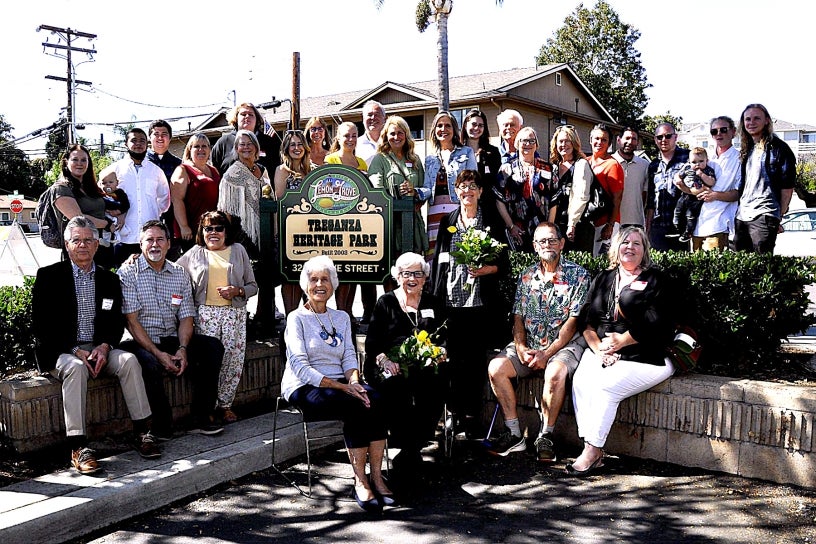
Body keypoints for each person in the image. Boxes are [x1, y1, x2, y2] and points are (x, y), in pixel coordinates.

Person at [33, 216, 159, 474]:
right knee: (76, 368)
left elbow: (115, 323)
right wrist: (74, 350)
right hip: (62, 350)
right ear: (67, 245)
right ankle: (79, 447)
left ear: (97, 244)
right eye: (76, 240)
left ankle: (143, 432)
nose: (83, 245)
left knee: (128, 361)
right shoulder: (49, 277)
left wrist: (104, 347)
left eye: (88, 240)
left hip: (98, 347)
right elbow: (41, 326)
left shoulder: (109, 280)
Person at [280, 256, 393, 512]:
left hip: (342, 383)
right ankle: (360, 480)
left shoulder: (341, 317)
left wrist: (354, 380)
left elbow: (349, 355)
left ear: (333, 284)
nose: (320, 284)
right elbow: (299, 365)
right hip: (305, 386)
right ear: (305, 284)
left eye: (326, 279)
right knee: (354, 406)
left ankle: (377, 476)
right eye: (314, 279)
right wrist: (343, 387)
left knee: (376, 399)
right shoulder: (296, 318)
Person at [568, 226, 676, 476]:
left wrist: (621, 341)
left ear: (644, 251)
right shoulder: (604, 279)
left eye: (637, 244)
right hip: (602, 350)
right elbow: (587, 322)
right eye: (625, 242)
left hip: (646, 355)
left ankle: (593, 450)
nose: (630, 247)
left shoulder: (656, 280)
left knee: (606, 387)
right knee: (582, 381)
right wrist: (598, 349)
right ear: (615, 248)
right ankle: (590, 446)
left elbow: (659, 324)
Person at [486, 222, 589, 460]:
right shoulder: (527, 276)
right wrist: (521, 347)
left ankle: (546, 436)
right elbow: (518, 317)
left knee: (554, 373)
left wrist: (547, 353)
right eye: (542, 241)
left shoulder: (579, 275)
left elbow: (572, 322)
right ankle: (514, 435)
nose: (547, 245)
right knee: (496, 368)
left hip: (564, 345)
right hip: (530, 344)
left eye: (552, 240)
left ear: (562, 244)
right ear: (534, 246)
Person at [118, 220, 224, 438]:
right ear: (140, 244)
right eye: (149, 240)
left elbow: (186, 316)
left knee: (212, 347)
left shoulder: (179, 273)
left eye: (160, 239)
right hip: (142, 340)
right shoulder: (128, 273)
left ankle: (201, 417)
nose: (154, 245)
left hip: (172, 337)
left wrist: (183, 348)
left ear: (168, 244)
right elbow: (132, 322)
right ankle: (161, 425)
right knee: (147, 363)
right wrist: (158, 355)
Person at [429, 169, 510, 437]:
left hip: (479, 303)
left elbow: (504, 263)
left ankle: (473, 417)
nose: (467, 191)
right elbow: (440, 260)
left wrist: (487, 269)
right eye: (463, 187)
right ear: (456, 191)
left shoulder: (491, 221)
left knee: (474, 362)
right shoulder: (448, 220)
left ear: (480, 191)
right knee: (452, 361)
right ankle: (453, 415)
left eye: (472, 186)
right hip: (451, 302)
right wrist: (436, 295)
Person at [363, 252, 447, 470]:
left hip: (424, 366)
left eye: (417, 274)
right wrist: (385, 361)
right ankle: (408, 444)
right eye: (406, 273)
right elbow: (372, 343)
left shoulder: (433, 302)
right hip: (389, 365)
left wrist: (440, 352)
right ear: (397, 277)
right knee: (396, 385)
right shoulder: (386, 302)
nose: (412, 279)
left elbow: (445, 339)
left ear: (425, 277)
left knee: (436, 383)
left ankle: (412, 447)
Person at [177, 211, 257, 424]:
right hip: (205, 315)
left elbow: (253, 286)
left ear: (226, 231)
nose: (213, 233)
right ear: (201, 232)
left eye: (218, 228)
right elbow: (171, 269)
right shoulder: (195, 253)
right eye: (208, 228)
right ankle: (208, 406)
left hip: (234, 314)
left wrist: (237, 291)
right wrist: (138, 256)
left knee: (232, 361)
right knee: (211, 363)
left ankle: (225, 405)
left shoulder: (238, 250)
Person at [219, 130, 274, 329]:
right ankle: (244, 322)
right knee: (250, 276)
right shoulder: (233, 172)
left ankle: (264, 318)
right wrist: (231, 238)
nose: (246, 147)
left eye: (249, 143)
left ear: (256, 147)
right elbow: (225, 208)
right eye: (241, 144)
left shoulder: (262, 170)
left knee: (268, 275)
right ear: (236, 148)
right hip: (243, 232)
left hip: (265, 229)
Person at [99, 128, 171, 266]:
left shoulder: (156, 171)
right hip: (122, 238)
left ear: (147, 144)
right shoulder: (113, 170)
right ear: (126, 144)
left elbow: (164, 201)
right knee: (122, 281)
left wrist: (151, 213)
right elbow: (101, 197)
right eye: (134, 140)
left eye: (142, 141)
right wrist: (116, 215)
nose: (138, 144)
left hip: (150, 240)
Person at [734, 103, 797, 253]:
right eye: (747, 119)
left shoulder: (779, 148)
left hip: (764, 214)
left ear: (767, 120)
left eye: (757, 118)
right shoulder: (747, 148)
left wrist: (777, 216)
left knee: (761, 267)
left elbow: (787, 187)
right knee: (742, 267)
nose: (751, 122)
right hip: (742, 215)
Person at [368, 115, 429, 262]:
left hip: (413, 222)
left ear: (406, 135)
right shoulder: (380, 159)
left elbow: (425, 189)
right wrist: (395, 192)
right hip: (391, 223)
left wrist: (415, 193)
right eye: (392, 133)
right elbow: (376, 193)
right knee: (392, 270)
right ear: (386, 136)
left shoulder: (415, 159)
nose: (396, 137)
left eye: (400, 133)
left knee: (413, 266)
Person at [325, 122, 367, 321]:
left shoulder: (362, 163)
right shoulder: (331, 159)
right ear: (338, 138)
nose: (350, 139)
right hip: (337, 223)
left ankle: (348, 314)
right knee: (340, 271)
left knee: (353, 272)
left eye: (354, 135)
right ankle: (341, 313)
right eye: (346, 136)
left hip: (358, 224)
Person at [422, 111, 477, 260]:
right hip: (435, 213)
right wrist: (415, 192)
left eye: (448, 125)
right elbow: (427, 188)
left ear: (454, 130)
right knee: (436, 256)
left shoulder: (466, 152)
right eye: (439, 126)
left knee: (458, 252)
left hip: (457, 210)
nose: (443, 129)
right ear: (434, 131)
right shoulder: (430, 158)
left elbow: (473, 183)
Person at [51, 144, 116, 267]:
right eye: (75, 159)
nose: (79, 163)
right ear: (66, 162)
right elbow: (79, 219)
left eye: (83, 160)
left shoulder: (91, 188)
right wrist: (107, 224)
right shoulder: (61, 188)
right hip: (79, 250)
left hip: (101, 246)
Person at [495, 127, 554, 252]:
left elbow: (554, 200)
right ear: (517, 144)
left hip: (542, 231)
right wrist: (511, 226)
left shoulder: (547, 168)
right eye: (523, 141)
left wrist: (549, 228)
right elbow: (499, 199)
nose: (527, 144)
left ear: (537, 145)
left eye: (532, 141)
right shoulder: (506, 169)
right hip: (517, 230)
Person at [274, 130, 313, 315]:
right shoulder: (282, 171)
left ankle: (310, 319)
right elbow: (280, 200)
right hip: (289, 232)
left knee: (310, 276)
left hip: (312, 234)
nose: (296, 148)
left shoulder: (312, 170)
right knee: (290, 277)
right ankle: (290, 319)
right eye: (292, 145)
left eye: (300, 144)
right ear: (286, 149)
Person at [693, 116, 742, 251]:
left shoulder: (739, 159)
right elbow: (692, 185)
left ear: (733, 132)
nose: (719, 134)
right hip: (698, 224)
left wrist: (715, 195)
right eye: (714, 131)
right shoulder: (704, 158)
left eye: (723, 130)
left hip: (719, 224)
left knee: (714, 268)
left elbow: (739, 193)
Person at [170, 133, 221, 254]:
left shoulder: (213, 170)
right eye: (196, 146)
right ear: (189, 150)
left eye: (204, 146)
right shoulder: (183, 170)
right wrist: (184, 226)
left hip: (211, 229)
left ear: (209, 149)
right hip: (191, 231)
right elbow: (177, 200)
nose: (201, 149)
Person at [548, 125, 594, 253]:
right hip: (557, 224)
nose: (564, 145)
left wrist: (572, 224)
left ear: (574, 143)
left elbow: (582, 196)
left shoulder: (581, 164)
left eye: (567, 141)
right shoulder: (554, 166)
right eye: (561, 141)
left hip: (576, 225)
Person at [645, 123, 689, 251]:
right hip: (658, 227)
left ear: (675, 137)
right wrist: (647, 229)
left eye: (668, 136)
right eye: (660, 137)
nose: (664, 140)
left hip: (682, 226)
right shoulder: (653, 165)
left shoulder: (688, 158)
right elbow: (651, 201)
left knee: (681, 268)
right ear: (655, 140)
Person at [211, 102, 282, 177]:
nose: (247, 116)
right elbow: (215, 173)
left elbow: (278, 170)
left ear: (256, 119)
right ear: (236, 118)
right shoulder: (223, 142)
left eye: (251, 114)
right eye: (243, 114)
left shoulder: (270, 142)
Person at [146, 120, 182, 257]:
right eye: (156, 134)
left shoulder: (179, 165)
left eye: (164, 134)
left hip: (171, 220)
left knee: (171, 257)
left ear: (170, 138)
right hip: (146, 217)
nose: (160, 138)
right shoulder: (141, 163)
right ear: (150, 137)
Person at [587, 124, 624, 256]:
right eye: (596, 138)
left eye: (604, 140)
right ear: (590, 139)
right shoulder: (585, 162)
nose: (599, 142)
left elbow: (617, 198)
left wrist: (610, 225)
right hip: (588, 222)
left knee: (604, 262)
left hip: (605, 223)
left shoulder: (612, 165)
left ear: (609, 143)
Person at [673, 147, 717, 244]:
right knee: (678, 211)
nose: (697, 164)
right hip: (684, 194)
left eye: (701, 161)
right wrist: (678, 180)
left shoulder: (707, 170)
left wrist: (701, 175)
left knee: (691, 216)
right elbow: (677, 175)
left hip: (697, 198)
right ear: (689, 161)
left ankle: (688, 233)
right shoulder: (687, 167)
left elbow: (712, 182)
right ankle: (676, 227)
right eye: (694, 162)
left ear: (707, 160)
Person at [612, 127, 649, 228]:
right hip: (612, 223)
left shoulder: (644, 165)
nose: (630, 142)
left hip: (636, 222)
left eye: (634, 139)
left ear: (637, 142)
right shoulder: (609, 162)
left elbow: (645, 195)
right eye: (627, 138)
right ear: (618, 140)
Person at [461, 109, 501, 201]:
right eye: (473, 124)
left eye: (480, 125)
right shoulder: (457, 152)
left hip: (487, 205)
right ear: (465, 125)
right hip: (463, 203)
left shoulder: (493, 152)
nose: (476, 128)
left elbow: (496, 182)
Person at [356, 100, 386, 165]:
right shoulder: (355, 145)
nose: (373, 118)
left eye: (377, 114)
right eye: (369, 115)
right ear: (363, 119)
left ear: (384, 119)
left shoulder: (392, 142)